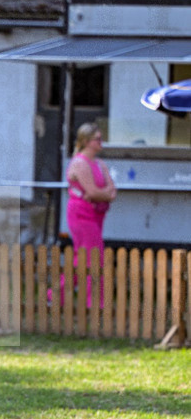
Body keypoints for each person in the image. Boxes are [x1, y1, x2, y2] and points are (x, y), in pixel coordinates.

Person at [66, 122, 117, 306]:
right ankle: (94, 301)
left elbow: (112, 190)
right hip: (81, 214)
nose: (101, 142)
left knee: (82, 257)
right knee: (94, 256)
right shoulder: (80, 163)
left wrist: (100, 194)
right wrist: (101, 194)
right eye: (98, 139)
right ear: (87, 141)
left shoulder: (100, 163)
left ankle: (55, 296)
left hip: (96, 213)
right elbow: (94, 191)